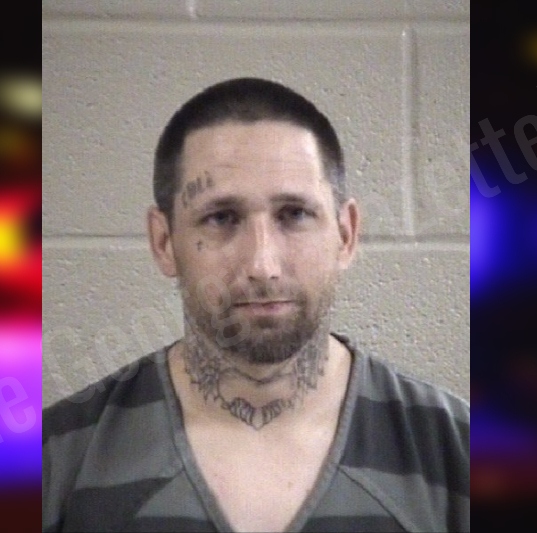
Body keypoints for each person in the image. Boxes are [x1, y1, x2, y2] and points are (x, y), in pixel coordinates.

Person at [42, 77, 470, 532]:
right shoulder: (57, 457)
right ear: (164, 242)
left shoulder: (456, 448)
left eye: (295, 214)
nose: (262, 265)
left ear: (345, 235)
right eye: (221, 218)